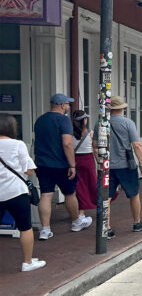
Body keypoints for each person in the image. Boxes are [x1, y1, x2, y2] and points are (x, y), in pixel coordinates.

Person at [34, 94, 91, 240]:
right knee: (70, 193)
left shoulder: (40, 120)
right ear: (60, 105)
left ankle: (45, 229)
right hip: (61, 164)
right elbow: (67, 143)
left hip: (42, 163)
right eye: (67, 104)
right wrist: (72, 164)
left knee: (46, 194)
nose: (68, 107)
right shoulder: (63, 120)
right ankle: (76, 221)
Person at [0, 114, 46, 272]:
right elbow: (28, 170)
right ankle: (27, 262)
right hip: (16, 192)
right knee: (25, 227)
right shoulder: (17, 144)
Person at [100, 96, 142, 239]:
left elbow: (95, 145)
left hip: (107, 166)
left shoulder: (101, 123)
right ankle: (137, 222)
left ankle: (106, 228)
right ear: (121, 108)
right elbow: (137, 145)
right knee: (133, 194)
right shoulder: (128, 123)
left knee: (106, 197)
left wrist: (100, 161)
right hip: (126, 165)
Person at [71, 110, 97, 220]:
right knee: (91, 183)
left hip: (75, 160)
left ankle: (79, 212)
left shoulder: (70, 133)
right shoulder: (90, 133)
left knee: (79, 187)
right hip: (88, 160)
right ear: (84, 120)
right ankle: (95, 204)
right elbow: (95, 149)